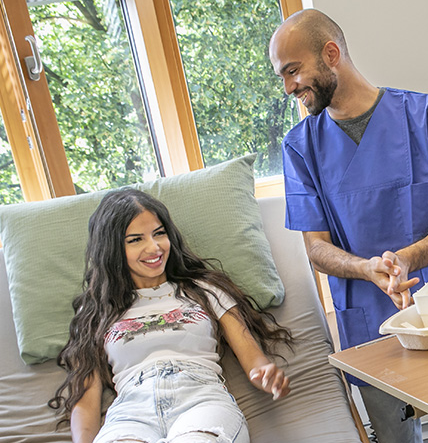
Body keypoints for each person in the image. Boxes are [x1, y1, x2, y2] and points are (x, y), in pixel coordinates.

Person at [269, 9, 428, 443]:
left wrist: (407, 258)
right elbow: (315, 247)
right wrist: (366, 269)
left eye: (293, 71)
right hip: (369, 323)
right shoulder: (301, 148)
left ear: (331, 54)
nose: (288, 88)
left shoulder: (424, 115)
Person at [49, 188, 293, 443]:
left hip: (201, 402)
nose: (153, 247)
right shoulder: (97, 309)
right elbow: (86, 398)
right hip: (130, 414)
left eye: (159, 233)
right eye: (135, 240)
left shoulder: (205, 290)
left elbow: (254, 359)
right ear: (112, 249)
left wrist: (265, 375)